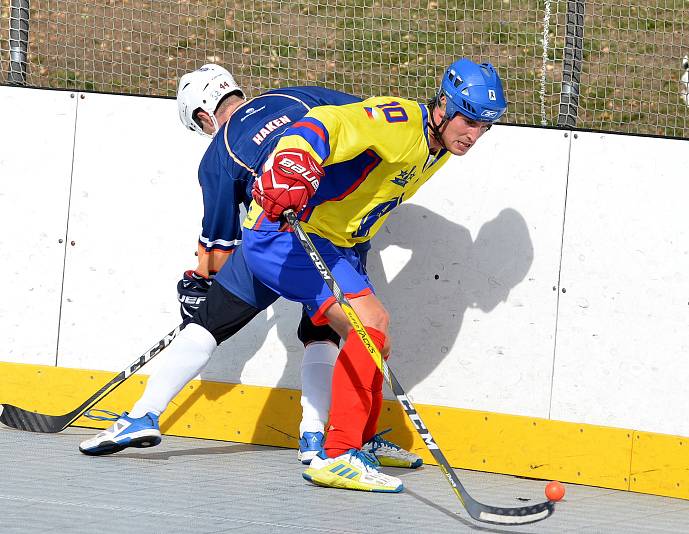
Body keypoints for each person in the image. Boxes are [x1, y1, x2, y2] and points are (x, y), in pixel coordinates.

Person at [79, 65, 418, 469]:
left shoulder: (219, 152)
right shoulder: (296, 96)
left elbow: (219, 247)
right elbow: (363, 120)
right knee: (323, 334)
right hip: (341, 227)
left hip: (279, 236)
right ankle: (314, 436)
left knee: (207, 325)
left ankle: (142, 415)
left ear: (204, 115)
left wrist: (202, 282)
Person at [238, 57, 507, 492]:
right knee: (369, 326)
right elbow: (329, 122)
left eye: (485, 127)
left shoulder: (440, 146)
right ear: (444, 104)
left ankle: (357, 440)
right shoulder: (400, 122)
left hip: (329, 241)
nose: (474, 136)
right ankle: (338, 455)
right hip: (281, 233)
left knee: (377, 333)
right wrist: (293, 157)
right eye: (469, 121)